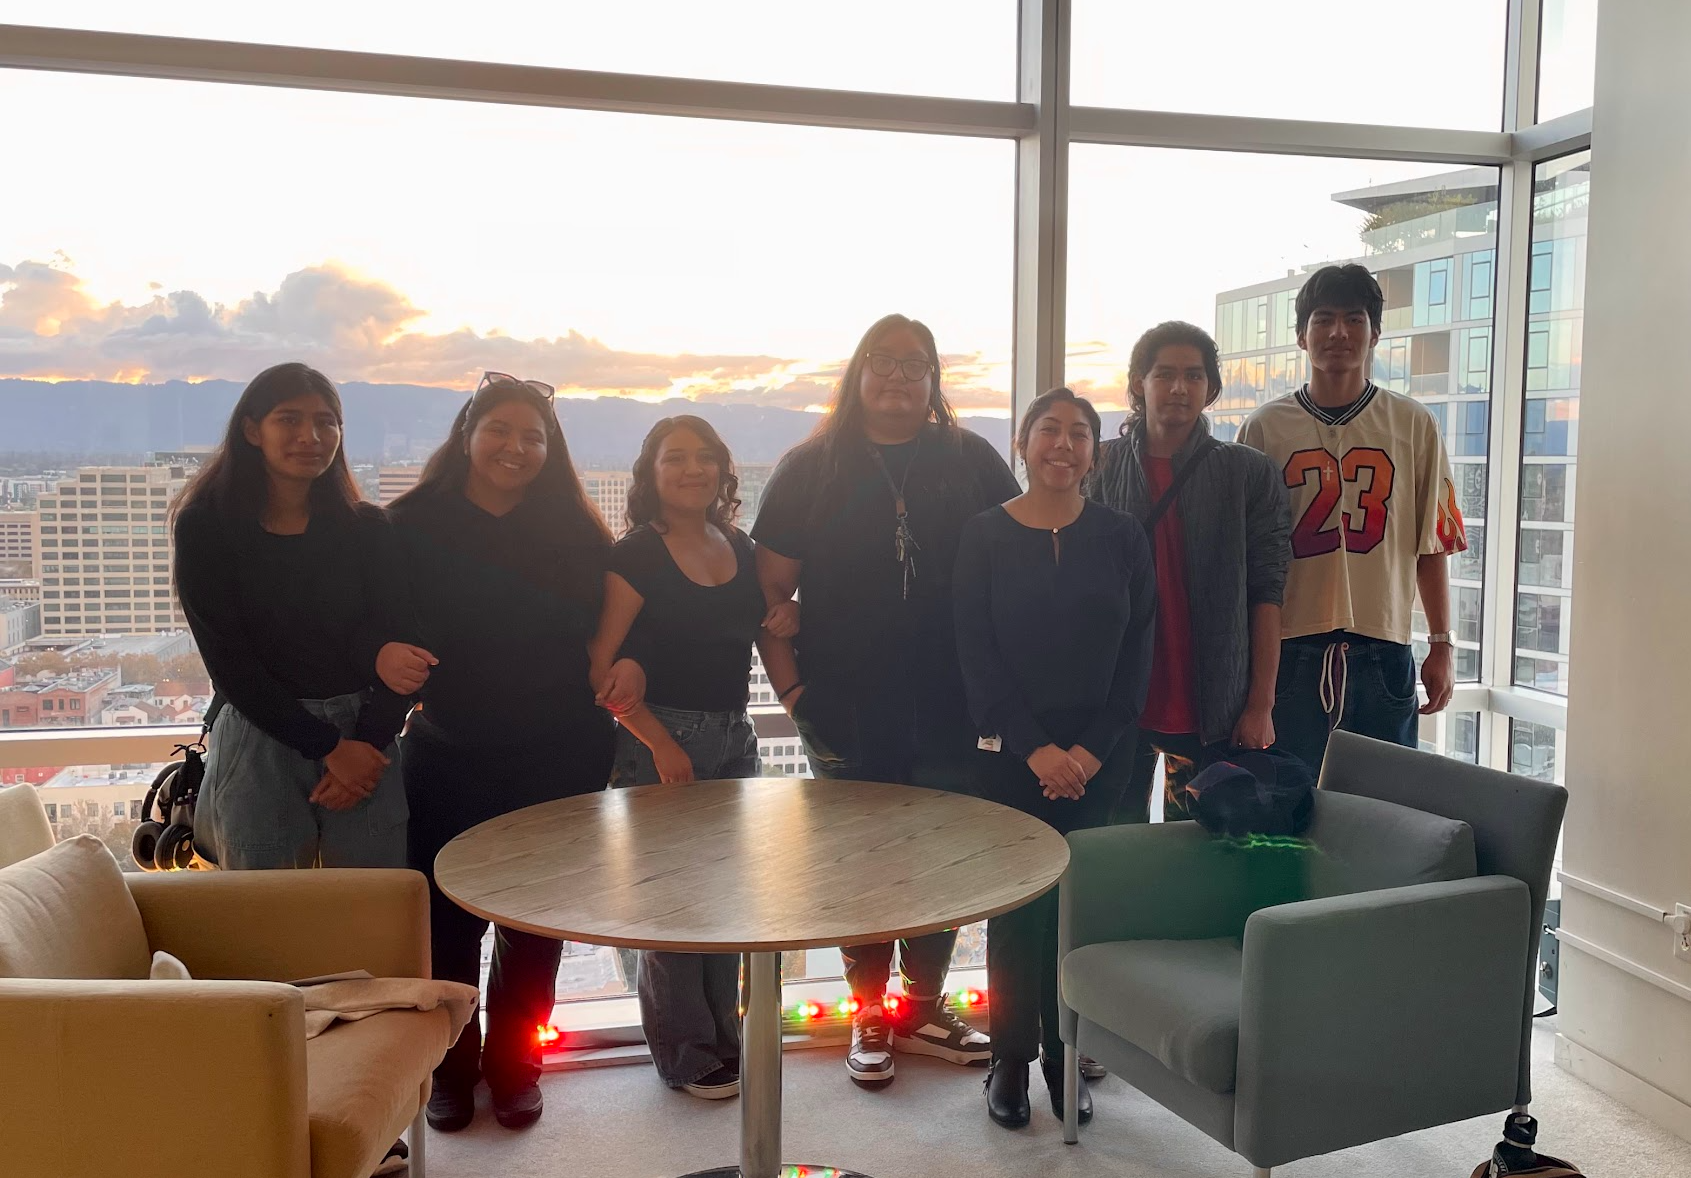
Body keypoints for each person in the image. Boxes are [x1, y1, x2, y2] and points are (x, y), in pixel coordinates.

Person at [753, 313, 1019, 1087]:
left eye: (914, 363)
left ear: (934, 378)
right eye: (883, 360)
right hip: (844, 703)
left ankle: (924, 1007)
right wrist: (794, 694)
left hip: (952, 702)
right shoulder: (809, 467)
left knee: (940, 855)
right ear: (857, 372)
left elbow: (1016, 556)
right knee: (859, 863)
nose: (898, 375)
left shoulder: (969, 459)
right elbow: (767, 594)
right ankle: (868, 1010)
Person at [390, 372, 645, 1133]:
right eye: (499, 429)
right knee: (445, 928)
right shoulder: (410, 524)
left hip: (559, 754)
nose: (515, 447)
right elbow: (373, 622)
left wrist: (634, 664)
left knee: (537, 927)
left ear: (549, 450)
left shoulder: (576, 531)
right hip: (448, 752)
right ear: (467, 435)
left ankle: (515, 1067)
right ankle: (448, 1070)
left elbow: (622, 629)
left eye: (533, 436)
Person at [953, 387, 1157, 1129]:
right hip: (1011, 757)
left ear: (1094, 453)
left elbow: (1138, 655)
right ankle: (1008, 1058)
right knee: (1017, 912)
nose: (1062, 445)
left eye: (1078, 433)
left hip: (1103, 759)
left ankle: (1064, 1056)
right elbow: (975, 655)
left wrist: (1089, 752)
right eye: (1049, 430)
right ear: (1023, 443)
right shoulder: (983, 535)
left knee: (1078, 914)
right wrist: (1036, 749)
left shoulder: (1123, 537)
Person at [590, 414, 796, 1101]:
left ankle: (723, 1039)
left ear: (722, 471)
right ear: (650, 473)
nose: (692, 469)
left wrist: (789, 615)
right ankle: (685, 1054)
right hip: (660, 740)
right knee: (672, 902)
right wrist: (659, 742)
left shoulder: (738, 545)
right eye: (675, 457)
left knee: (724, 897)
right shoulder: (635, 555)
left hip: (735, 736)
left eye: (704, 457)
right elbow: (600, 667)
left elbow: (763, 626)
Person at [173, 361, 426, 870]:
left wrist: (366, 746)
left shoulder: (369, 529)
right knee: (266, 908)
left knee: (372, 905)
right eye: (289, 419)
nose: (310, 436)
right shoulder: (207, 527)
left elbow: (406, 647)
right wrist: (329, 747)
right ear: (252, 430)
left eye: (325, 421)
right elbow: (230, 662)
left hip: (365, 733)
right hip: (259, 737)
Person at [1238, 265, 1467, 775]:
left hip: (1383, 649)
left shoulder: (1414, 424)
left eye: (1354, 319)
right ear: (1302, 335)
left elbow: (1430, 544)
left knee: (1382, 807)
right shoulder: (1263, 429)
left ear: (1375, 333)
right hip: (1288, 651)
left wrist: (1442, 644)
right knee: (1285, 804)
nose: (1338, 333)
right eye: (1323, 319)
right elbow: (1244, 561)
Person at [1087, 322, 1291, 822]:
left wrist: (1261, 705)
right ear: (1139, 383)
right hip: (1116, 701)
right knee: (1115, 840)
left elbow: (1267, 593)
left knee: (1199, 845)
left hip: (1214, 705)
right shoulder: (1100, 466)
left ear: (1211, 388)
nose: (1179, 387)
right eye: (1165, 374)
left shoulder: (1248, 472)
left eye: (1194, 376)